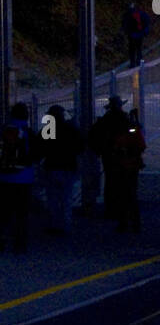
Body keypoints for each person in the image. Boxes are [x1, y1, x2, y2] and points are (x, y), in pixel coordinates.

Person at [0, 103, 36, 252]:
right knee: (22, 213)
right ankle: (20, 243)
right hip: (24, 178)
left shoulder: (3, 131)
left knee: (4, 212)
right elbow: (36, 154)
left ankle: (2, 240)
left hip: (4, 177)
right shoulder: (28, 133)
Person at [40, 104, 81, 234]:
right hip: (68, 167)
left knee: (53, 198)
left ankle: (54, 224)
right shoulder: (71, 129)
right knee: (66, 198)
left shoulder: (49, 130)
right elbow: (80, 146)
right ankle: (65, 224)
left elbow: (41, 147)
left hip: (52, 167)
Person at [104, 108, 146, 233]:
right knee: (128, 195)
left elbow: (138, 146)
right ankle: (130, 222)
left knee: (126, 195)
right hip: (127, 166)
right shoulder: (130, 131)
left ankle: (127, 222)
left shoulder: (122, 132)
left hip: (125, 166)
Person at [90, 96, 130, 223]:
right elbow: (132, 131)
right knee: (121, 182)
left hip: (108, 154)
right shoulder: (124, 118)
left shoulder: (105, 119)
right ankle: (120, 209)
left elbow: (93, 133)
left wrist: (99, 150)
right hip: (121, 154)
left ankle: (110, 209)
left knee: (110, 182)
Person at [122, 1, 150, 67]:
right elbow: (146, 21)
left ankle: (132, 63)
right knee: (139, 48)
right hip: (140, 34)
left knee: (132, 50)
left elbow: (125, 24)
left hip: (131, 35)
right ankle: (139, 62)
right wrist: (145, 32)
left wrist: (126, 32)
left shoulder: (127, 14)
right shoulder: (140, 13)